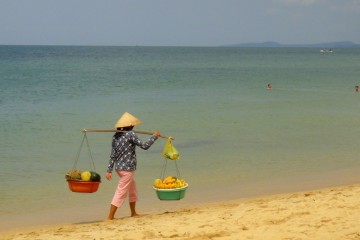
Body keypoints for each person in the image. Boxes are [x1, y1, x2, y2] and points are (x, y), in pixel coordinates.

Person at [106, 112, 160, 219]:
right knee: (121, 192)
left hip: (119, 168)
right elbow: (144, 146)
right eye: (133, 125)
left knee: (132, 189)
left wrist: (109, 170)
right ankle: (110, 216)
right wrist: (154, 137)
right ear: (130, 125)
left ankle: (133, 213)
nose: (134, 126)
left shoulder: (116, 136)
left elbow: (113, 155)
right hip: (127, 169)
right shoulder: (131, 134)